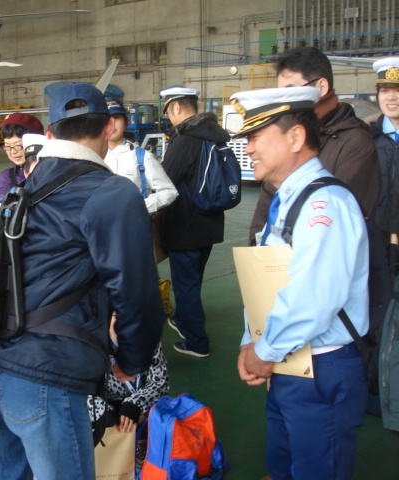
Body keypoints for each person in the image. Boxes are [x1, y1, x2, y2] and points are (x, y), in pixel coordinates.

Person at [0, 83, 164, 480]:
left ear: (50, 133)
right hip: (49, 377)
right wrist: (132, 359)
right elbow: (137, 294)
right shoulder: (112, 192)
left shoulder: (24, 189)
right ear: (110, 126)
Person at [232, 86, 369, 480]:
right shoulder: (289, 199)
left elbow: (313, 299)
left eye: (256, 137)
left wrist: (264, 349)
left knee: (317, 468)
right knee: (284, 462)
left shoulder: (324, 205)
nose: (249, 148)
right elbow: (270, 280)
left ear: (295, 137)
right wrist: (251, 338)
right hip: (289, 359)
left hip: (321, 365)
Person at [248, 46, 380, 245]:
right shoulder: (289, 137)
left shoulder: (355, 144)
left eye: (291, 91)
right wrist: (257, 251)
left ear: (321, 87)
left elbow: (336, 225)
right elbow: (266, 208)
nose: (284, 102)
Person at [158, 86, 227, 358]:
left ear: (176, 107)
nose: (168, 117)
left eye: (168, 111)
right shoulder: (214, 134)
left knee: (185, 286)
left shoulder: (185, 139)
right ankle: (183, 320)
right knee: (193, 279)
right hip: (209, 223)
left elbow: (165, 179)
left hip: (184, 225)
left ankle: (197, 343)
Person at [87, 314, 169, 433]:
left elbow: (161, 382)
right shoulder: (91, 345)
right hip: (104, 408)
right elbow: (78, 389)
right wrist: (102, 412)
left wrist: (135, 404)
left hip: (141, 406)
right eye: (116, 316)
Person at [104, 97, 177, 214]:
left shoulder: (142, 157)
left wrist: (140, 207)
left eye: (116, 118)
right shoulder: (93, 159)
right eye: (106, 119)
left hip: (133, 223)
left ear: (125, 122)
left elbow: (169, 191)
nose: (112, 124)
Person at [370, 57, 399, 242]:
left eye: (398, 90)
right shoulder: (367, 139)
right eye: (385, 90)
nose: (391, 97)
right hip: (376, 240)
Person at [0, 112, 45, 199]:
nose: (13, 151)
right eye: (8, 146)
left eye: (18, 145)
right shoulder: (6, 177)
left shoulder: (51, 173)